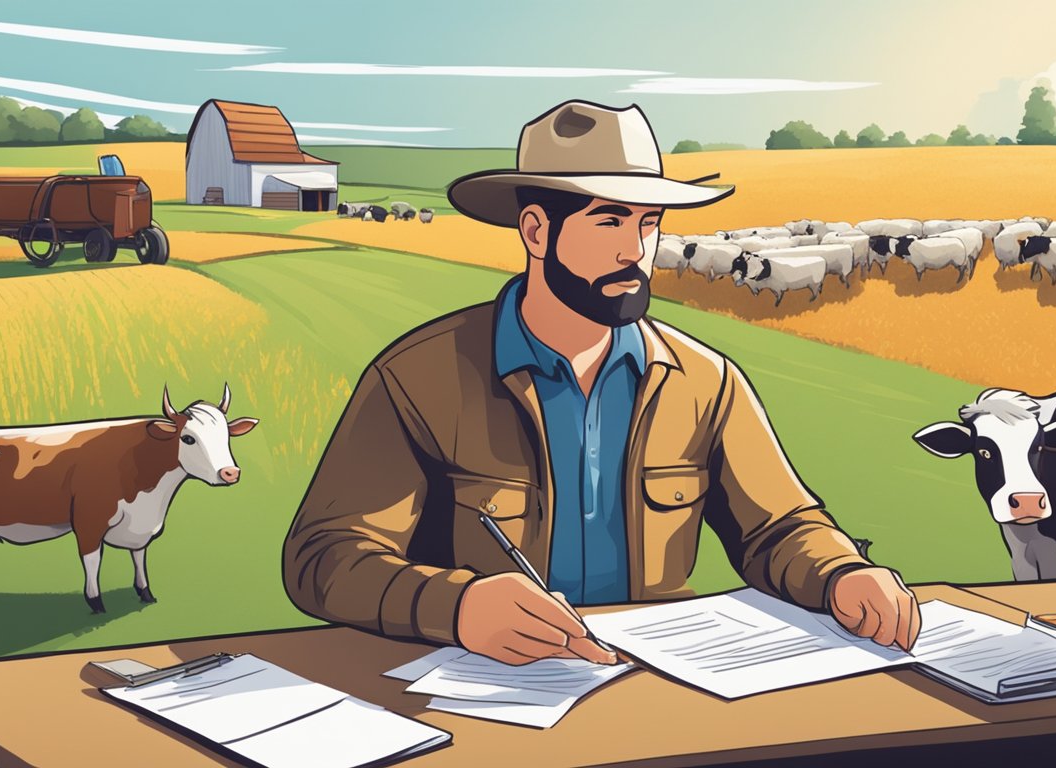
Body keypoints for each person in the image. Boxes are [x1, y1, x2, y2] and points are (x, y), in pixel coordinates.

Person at [283, 100, 920, 666]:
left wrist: (840, 573)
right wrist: (459, 607)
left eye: (650, 224)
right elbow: (325, 554)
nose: (636, 252)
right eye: (610, 222)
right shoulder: (418, 377)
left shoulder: (705, 381)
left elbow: (778, 527)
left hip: (662, 691)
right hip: (480, 697)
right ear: (536, 231)